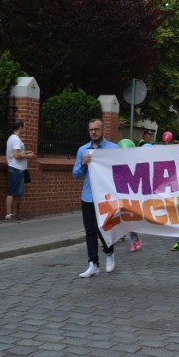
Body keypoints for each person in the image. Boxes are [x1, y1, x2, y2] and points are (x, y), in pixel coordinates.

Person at [73, 118, 119, 278]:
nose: (94, 132)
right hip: (88, 196)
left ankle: (109, 253)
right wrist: (83, 164)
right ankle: (93, 264)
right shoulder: (82, 150)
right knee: (90, 231)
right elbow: (75, 174)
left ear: (103, 129)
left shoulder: (113, 148)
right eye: (91, 129)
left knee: (103, 228)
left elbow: (121, 170)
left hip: (106, 197)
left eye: (96, 129)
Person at [5, 120, 35, 220]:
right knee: (13, 192)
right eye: (24, 126)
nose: (25, 128)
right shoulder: (16, 139)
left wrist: (25, 152)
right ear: (20, 127)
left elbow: (16, 152)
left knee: (17, 192)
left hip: (16, 168)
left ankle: (14, 214)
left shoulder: (11, 138)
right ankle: (9, 215)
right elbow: (16, 155)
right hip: (16, 168)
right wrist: (28, 156)